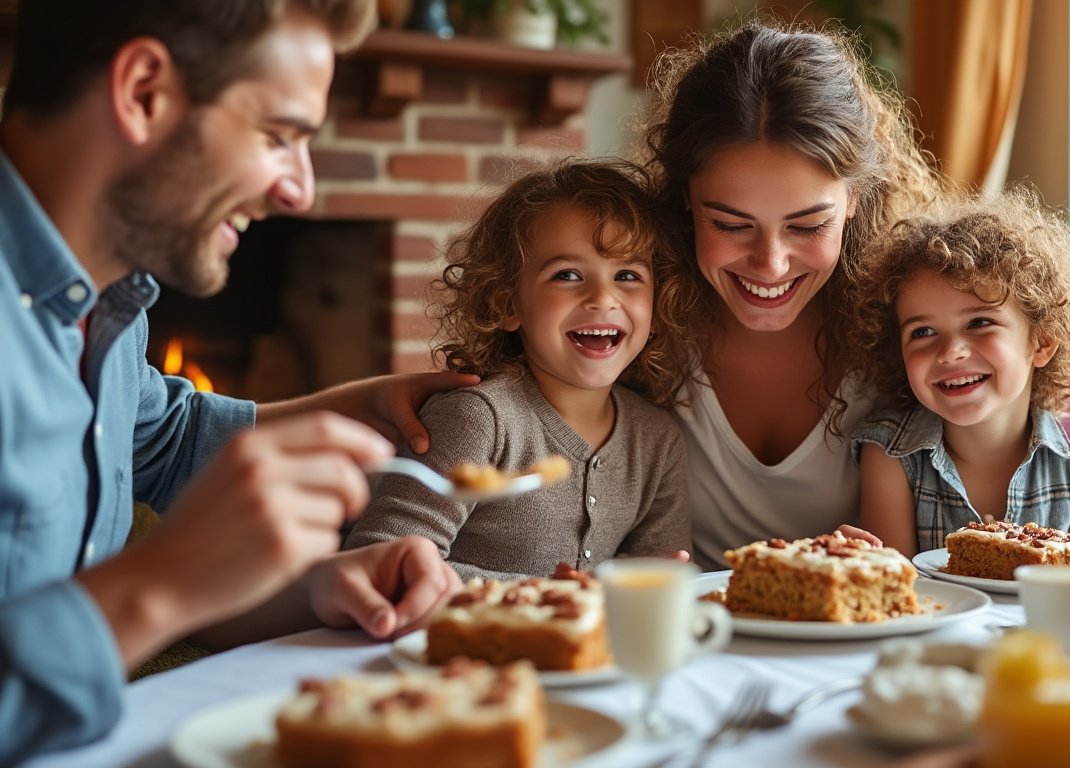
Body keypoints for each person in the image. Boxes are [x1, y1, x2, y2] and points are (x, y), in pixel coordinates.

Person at [0, 2, 473, 761]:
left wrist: (317, 583)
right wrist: (161, 585)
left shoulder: (108, 307)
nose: (300, 191)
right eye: (279, 136)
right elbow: (149, 589)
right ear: (144, 91)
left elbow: (166, 437)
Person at [640, 20, 942, 567]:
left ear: (854, 198)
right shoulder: (634, 319)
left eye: (807, 226)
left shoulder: (911, 331)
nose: (771, 264)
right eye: (731, 225)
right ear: (686, 197)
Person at [346, 159, 692, 580]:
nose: (603, 297)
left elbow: (661, 580)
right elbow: (380, 560)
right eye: (567, 275)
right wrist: (560, 594)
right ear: (507, 305)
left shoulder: (656, 440)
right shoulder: (478, 419)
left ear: (656, 307)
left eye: (626, 275)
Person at [850, 190, 1070, 556]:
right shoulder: (889, 454)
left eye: (979, 323)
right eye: (923, 332)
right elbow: (898, 593)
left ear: (1042, 342)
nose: (950, 352)